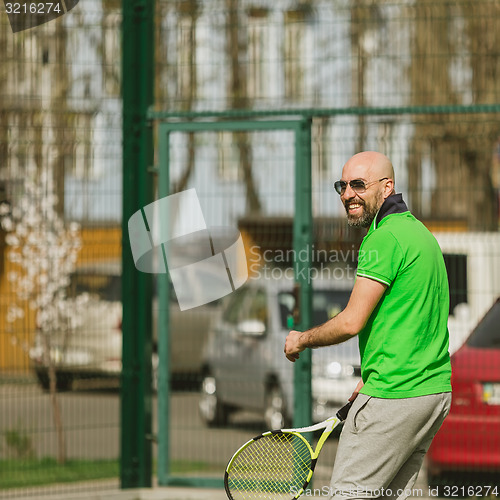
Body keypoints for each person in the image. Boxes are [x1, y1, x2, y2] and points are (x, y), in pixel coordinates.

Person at [284, 151, 452, 500]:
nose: (347, 194)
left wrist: (301, 339)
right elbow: (410, 321)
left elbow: (350, 321)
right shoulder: (419, 235)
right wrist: (370, 376)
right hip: (432, 393)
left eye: (358, 184)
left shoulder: (383, 239)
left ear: (387, 187)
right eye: (341, 186)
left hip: (396, 393)